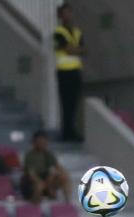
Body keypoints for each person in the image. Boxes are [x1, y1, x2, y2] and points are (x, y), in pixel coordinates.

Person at [53, 3, 84, 142]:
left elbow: (84, 50)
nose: (68, 15)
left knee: (73, 103)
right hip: (64, 71)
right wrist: (75, 49)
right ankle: (66, 132)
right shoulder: (59, 32)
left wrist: (75, 49)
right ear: (60, 15)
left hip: (75, 71)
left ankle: (71, 131)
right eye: (65, 13)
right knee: (66, 103)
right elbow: (68, 49)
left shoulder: (77, 32)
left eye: (69, 12)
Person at [21, 130, 71, 203]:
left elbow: (58, 167)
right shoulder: (30, 156)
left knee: (64, 179)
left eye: (44, 142)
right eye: (40, 142)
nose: (42, 144)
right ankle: (35, 206)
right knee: (39, 186)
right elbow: (31, 174)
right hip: (32, 181)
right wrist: (42, 183)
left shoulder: (48, 154)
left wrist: (62, 175)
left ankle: (67, 203)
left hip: (46, 179)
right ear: (34, 142)